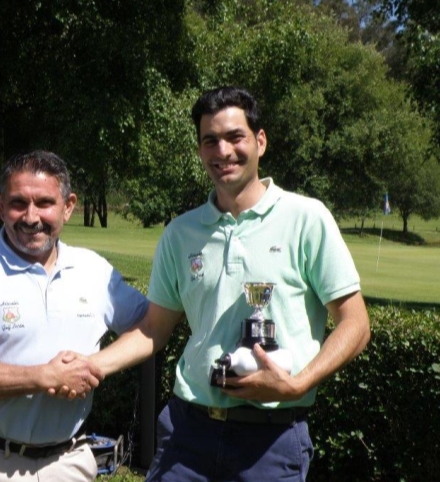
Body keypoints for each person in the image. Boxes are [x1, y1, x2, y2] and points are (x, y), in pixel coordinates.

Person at [88, 86, 371, 481]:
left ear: (260, 141)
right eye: (210, 141)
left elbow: (355, 324)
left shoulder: (307, 218)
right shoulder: (181, 233)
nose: (223, 151)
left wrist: (297, 384)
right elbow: (154, 328)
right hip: (187, 432)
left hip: (271, 443)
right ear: (201, 150)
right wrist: (93, 364)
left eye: (235, 137)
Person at [0, 150, 148, 482]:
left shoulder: (93, 270)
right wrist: (45, 376)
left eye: (44, 203)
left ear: (68, 206)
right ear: (0, 206)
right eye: (18, 203)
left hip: (69, 463)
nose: (31, 217)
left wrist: (95, 366)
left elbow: (148, 326)